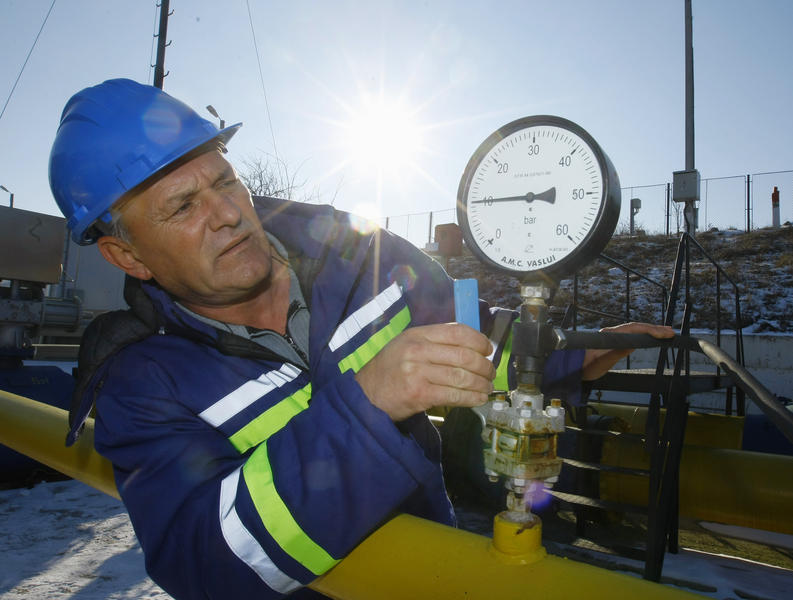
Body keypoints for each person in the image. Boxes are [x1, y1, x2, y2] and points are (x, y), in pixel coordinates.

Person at [49, 78, 672, 599]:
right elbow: (210, 562)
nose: (229, 213)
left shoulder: (356, 254)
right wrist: (365, 405)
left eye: (225, 181)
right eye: (183, 206)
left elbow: (460, 335)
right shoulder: (142, 383)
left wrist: (567, 354)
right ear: (125, 254)